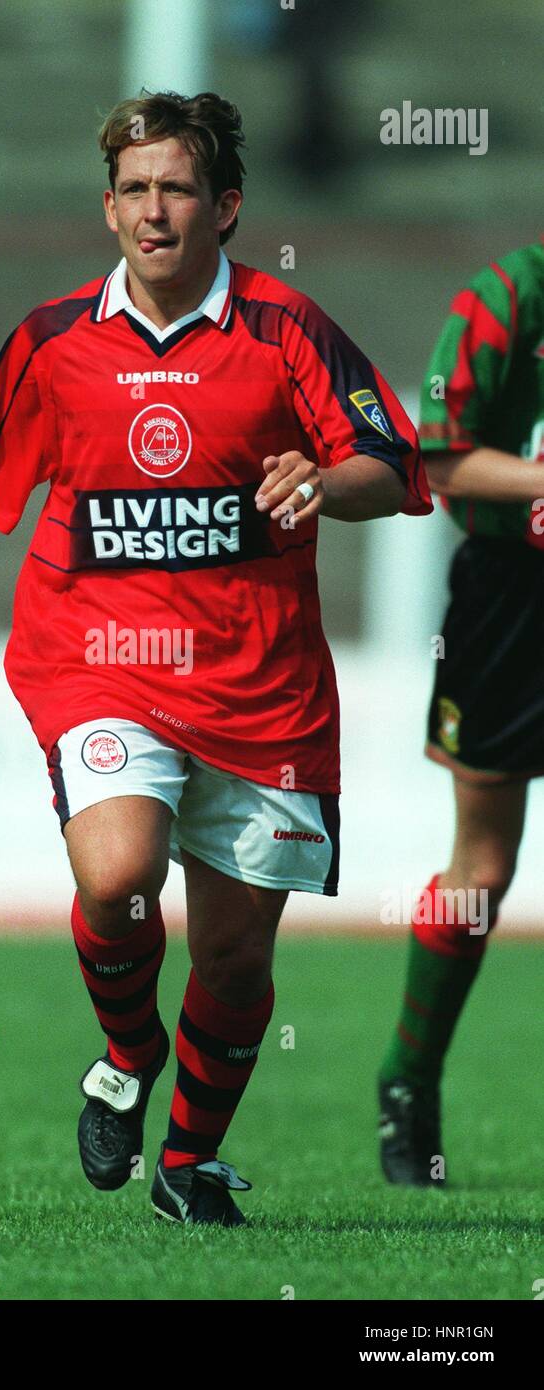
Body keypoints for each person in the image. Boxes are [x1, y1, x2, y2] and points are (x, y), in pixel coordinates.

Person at [0, 90, 431, 1226]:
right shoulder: (53, 342)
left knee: (235, 958)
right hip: (100, 658)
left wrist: (320, 477)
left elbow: (391, 464)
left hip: (264, 687)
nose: (153, 211)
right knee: (115, 877)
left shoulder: (286, 330)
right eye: (134, 190)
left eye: (176, 188)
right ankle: (125, 1050)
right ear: (107, 208)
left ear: (227, 207)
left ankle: (187, 1163)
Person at [378, 238, 544, 1187]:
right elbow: (439, 460)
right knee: (485, 866)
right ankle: (409, 1079)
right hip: (512, 603)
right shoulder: (505, 299)